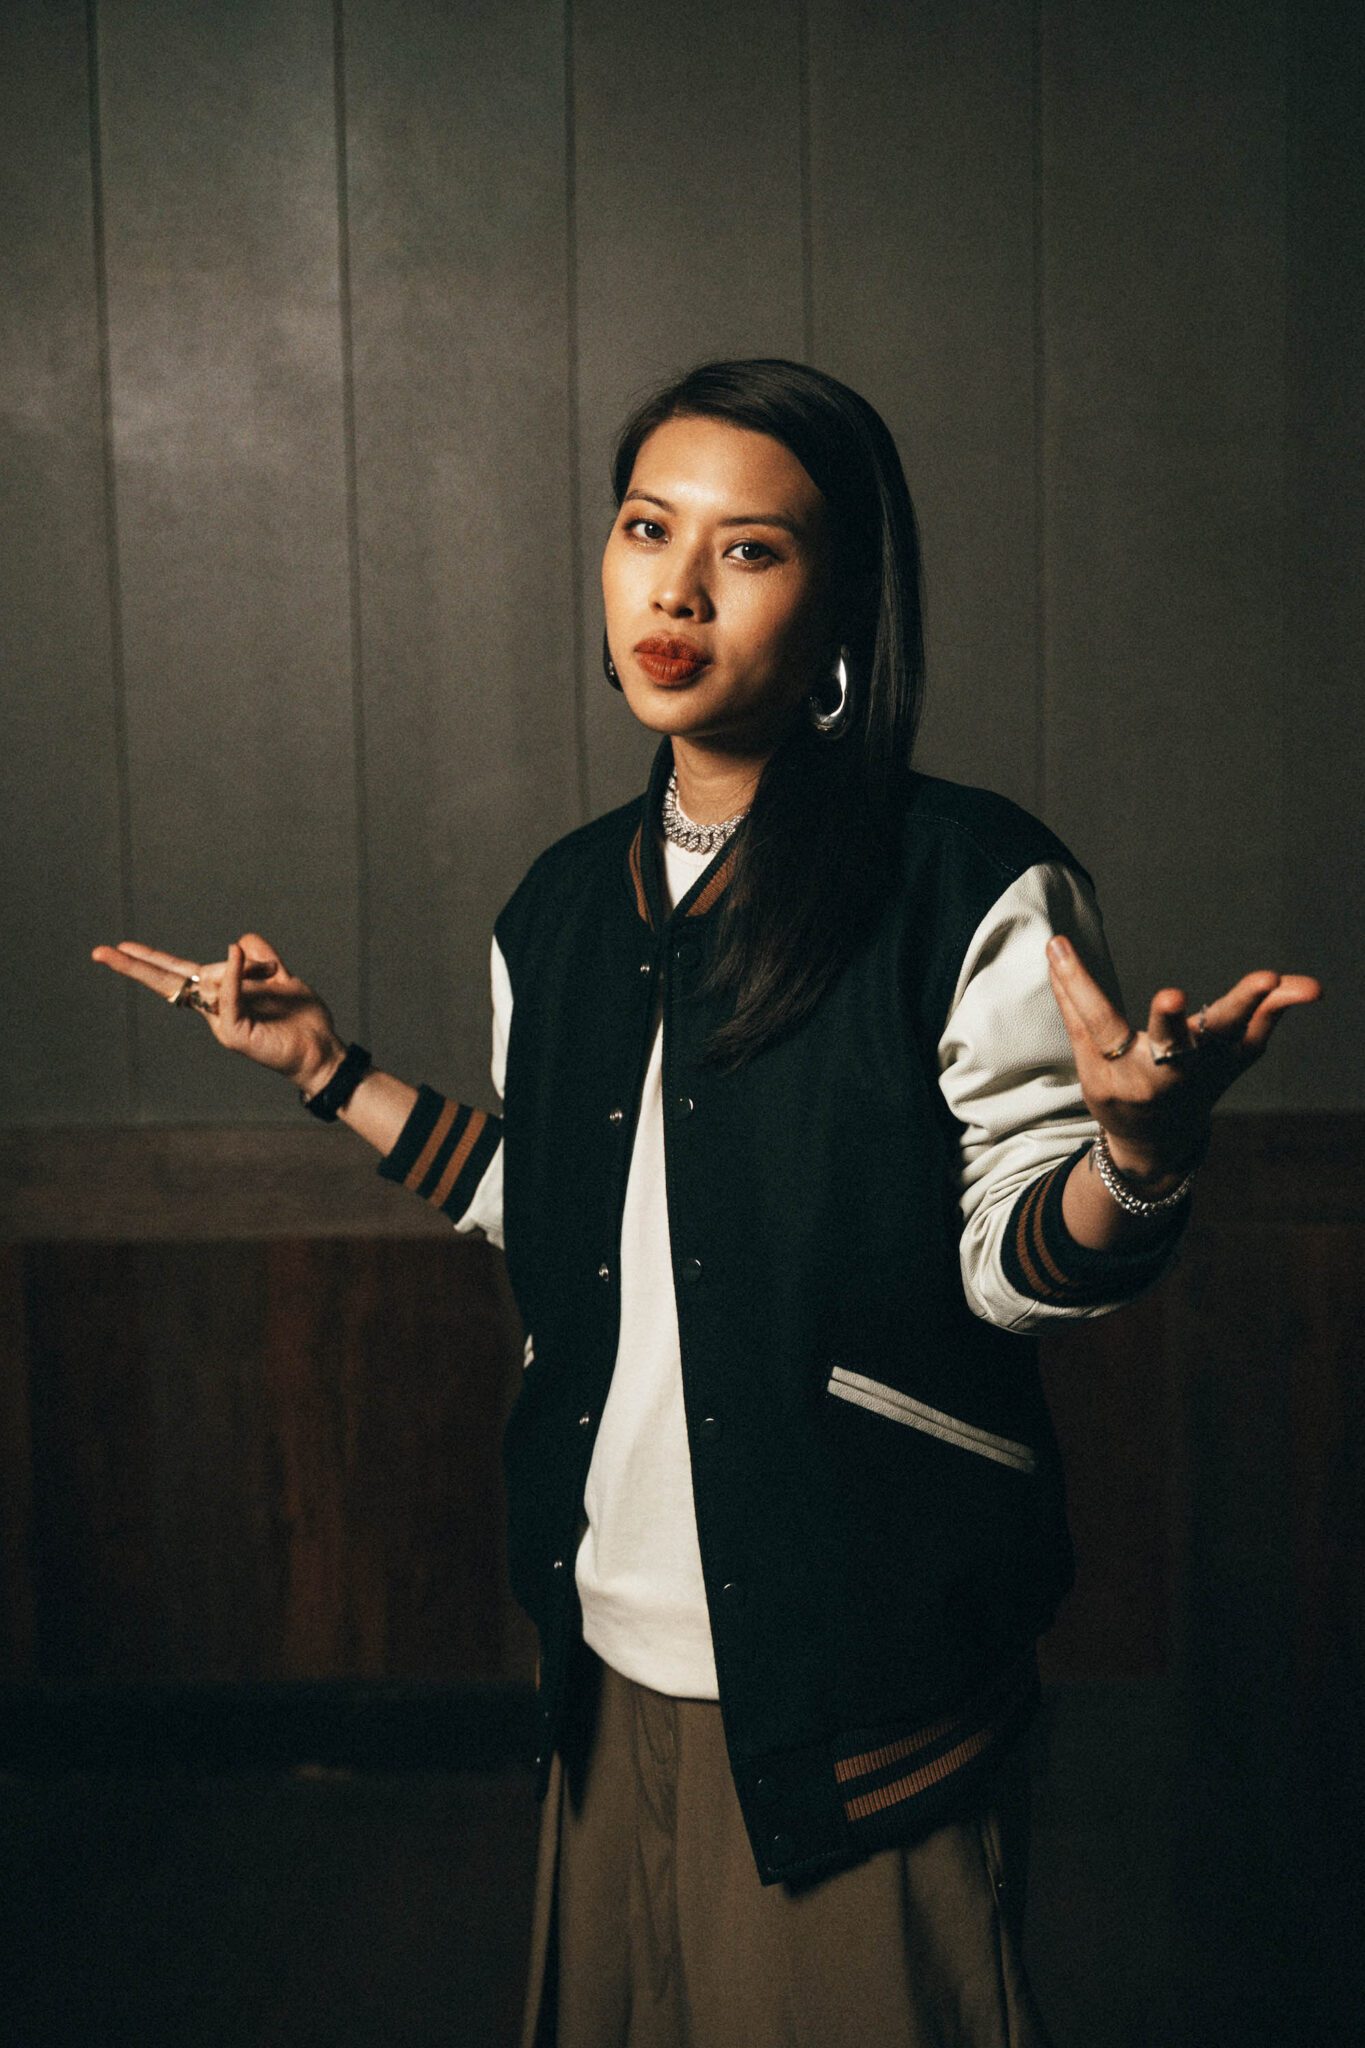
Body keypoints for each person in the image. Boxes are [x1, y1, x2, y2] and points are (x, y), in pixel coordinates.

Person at [93, 357, 1321, 2048]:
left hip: (855, 1664)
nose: (673, 589)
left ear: (841, 610)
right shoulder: (558, 907)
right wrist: (326, 1068)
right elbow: (567, 1214)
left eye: (747, 550)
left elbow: (1014, 1268)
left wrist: (1137, 1157)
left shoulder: (966, 880)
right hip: (602, 1641)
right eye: (644, 529)